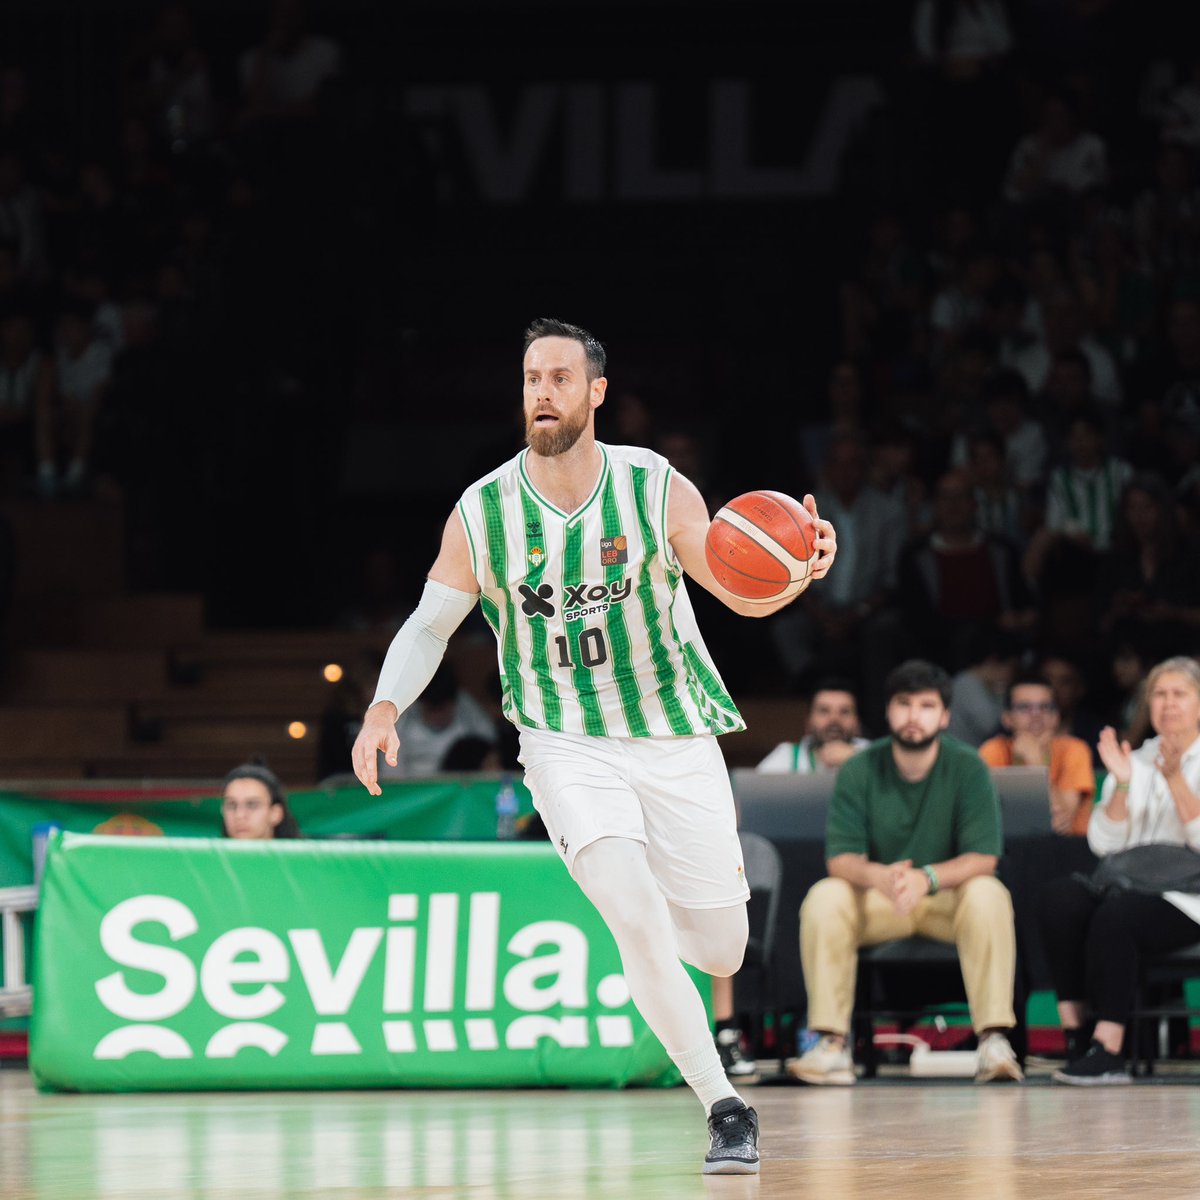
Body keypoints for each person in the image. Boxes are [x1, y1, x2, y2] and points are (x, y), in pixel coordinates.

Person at [350, 317, 838, 1176]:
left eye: (561, 378)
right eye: (533, 377)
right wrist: (385, 705)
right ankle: (725, 1105)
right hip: (564, 740)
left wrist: (796, 571)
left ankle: (678, 926)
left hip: (673, 730)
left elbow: (738, 592)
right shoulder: (484, 509)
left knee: (720, 947)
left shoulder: (653, 486)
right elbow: (430, 625)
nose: (543, 391)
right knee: (632, 912)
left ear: (596, 392)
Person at [790, 659, 1022, 1086]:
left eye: (927, 705)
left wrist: (926, 878)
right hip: (884, 898)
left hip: (944, 899)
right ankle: (831, 1044)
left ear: (945, 715)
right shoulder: (860, 768)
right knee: (826, 895)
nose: (914, 716)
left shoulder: (968, 766)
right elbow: (840, 859)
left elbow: (983, 857)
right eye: (904, 704)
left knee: (988, 891)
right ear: (888, 711)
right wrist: (882, 877)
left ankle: (993, 1040)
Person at [1039, 657, 1200, 1084]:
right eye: (1159, 695)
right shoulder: (1136, 757)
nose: (1167, 704)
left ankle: (1109, 1049)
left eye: (1179, 694)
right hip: (1129, 882)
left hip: (1189, 897)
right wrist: (1124, 784)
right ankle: (1077, 1036)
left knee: (1118, 915)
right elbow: (1103, 843)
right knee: (1060, 900)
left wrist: (1176, 780)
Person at [979, 674, 1095, 834]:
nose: (1036, 715)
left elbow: (1063, 823)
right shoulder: (994, 749)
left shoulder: (1074, 749)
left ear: (1056, 717)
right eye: (1024, 707)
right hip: (1007, 847)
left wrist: (1036, 762)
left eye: (1045, 707)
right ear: (1007, 718)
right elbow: (983, 817)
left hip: (1068, 849)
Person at [757, 680, 870, 774]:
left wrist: (856, 761)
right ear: (808, 722)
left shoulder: (873, 754)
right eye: (824, 711)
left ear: (857, 723)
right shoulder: (787, 757)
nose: (834, 719)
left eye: (844, 712)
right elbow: (750, 795)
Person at [221, 762, 302, 839]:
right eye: (231, 805)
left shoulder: (305, 853)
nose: (239, 815)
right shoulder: (209, 853)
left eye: (252, 805)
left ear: (275, 813)